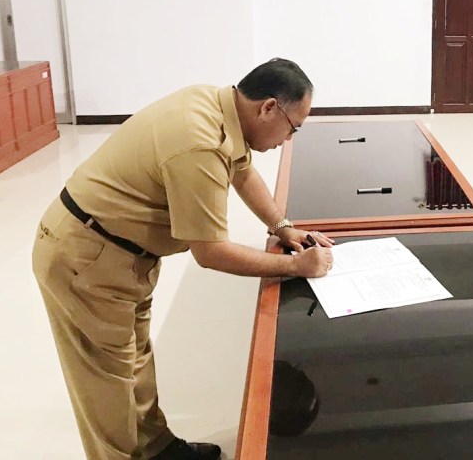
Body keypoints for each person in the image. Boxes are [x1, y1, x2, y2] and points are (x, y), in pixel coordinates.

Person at [32, 58, 335, 460]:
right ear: (268, 108)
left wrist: (282, 227)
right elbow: (211, 252)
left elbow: (243, 172)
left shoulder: (218, 107)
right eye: (293, 127)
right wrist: (296, 266)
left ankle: (158, 449)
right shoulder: (200, 141)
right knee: (107, 388)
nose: (289, 138)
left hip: (122, 254)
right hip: (87, 255)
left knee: (135, 362)